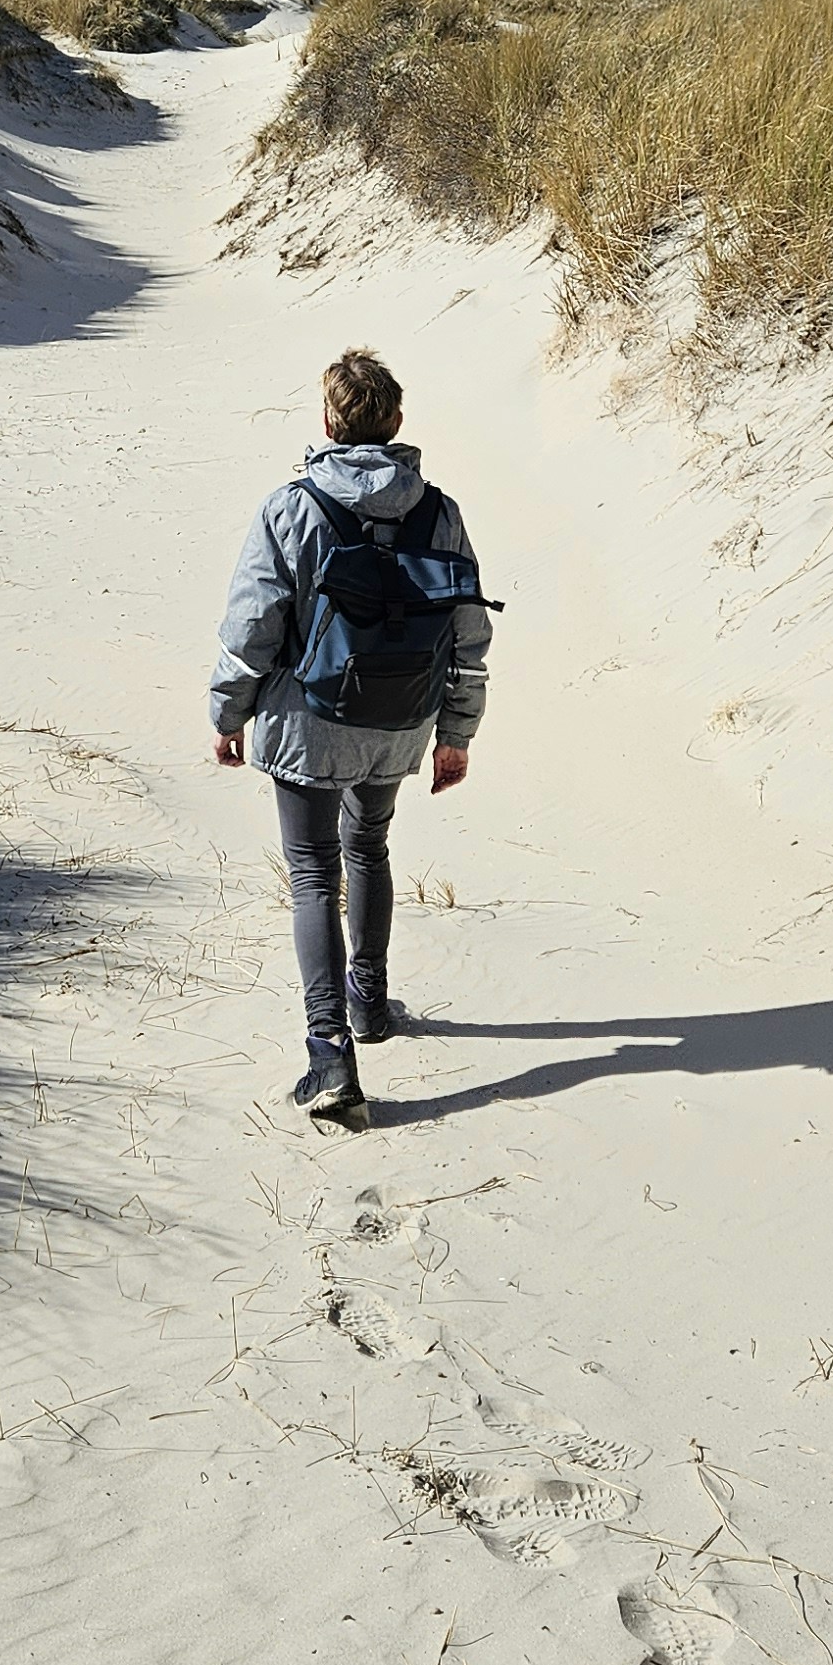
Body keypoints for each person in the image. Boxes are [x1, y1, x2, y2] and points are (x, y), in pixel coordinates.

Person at [208, 347, 495, 1130]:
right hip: (399, 722)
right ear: (396, 421)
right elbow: (470, 634)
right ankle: (370, 1003)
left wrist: (228, 712)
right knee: (367, 847)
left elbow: (253, 625)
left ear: (329, 422)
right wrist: (456, 733)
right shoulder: (440, 511)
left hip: (308, 722)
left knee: (311, 874)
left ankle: (330, 1052)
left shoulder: (291, 508)